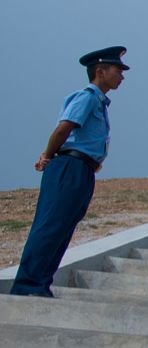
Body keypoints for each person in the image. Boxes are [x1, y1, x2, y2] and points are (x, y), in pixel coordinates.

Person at [13, 47, 127, 297]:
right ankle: (26, 286)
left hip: (82, 170)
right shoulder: (86, 97)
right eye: (118, 70)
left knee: (63, 228)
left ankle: (40, 284)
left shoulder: (99, 102)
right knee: (51, 225)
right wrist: (47, 155)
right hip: (69, 167)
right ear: (100, 71)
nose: (122, 76)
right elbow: (64, 129)